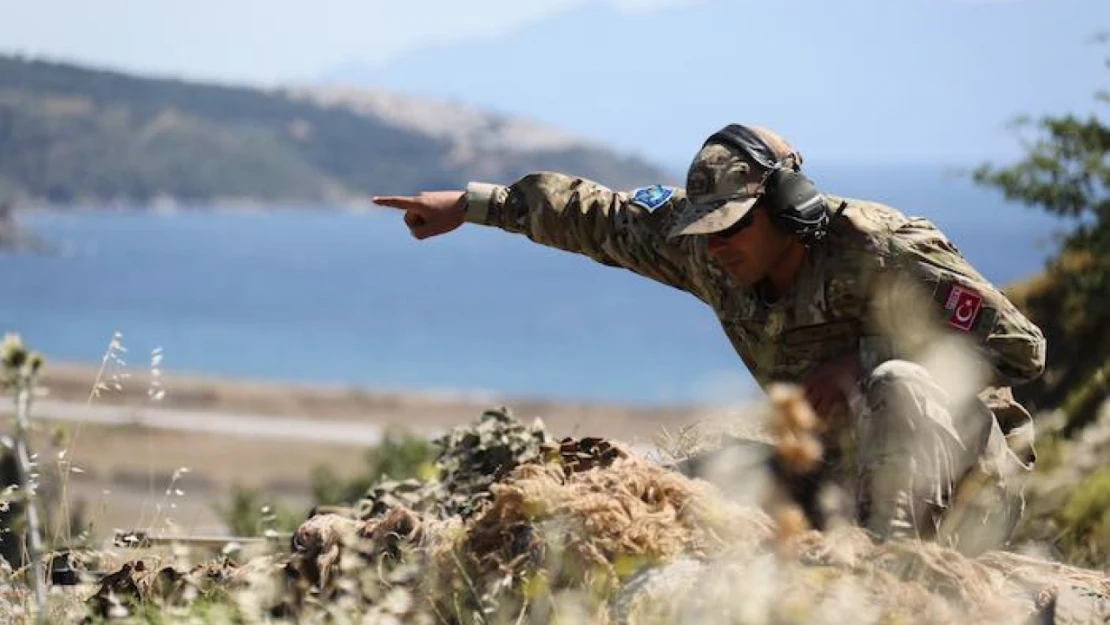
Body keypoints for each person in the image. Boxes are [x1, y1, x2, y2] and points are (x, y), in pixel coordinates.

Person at [372, 123, 1046, 555]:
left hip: (960, 484)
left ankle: (892, 578)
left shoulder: (878, 247)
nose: (717, 246)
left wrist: (858, 365)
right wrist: (470, 205)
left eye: (733, 226)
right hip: (837, 475)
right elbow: (596, 215)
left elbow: (1022, 347)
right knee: (660, 491)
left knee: (896, 381)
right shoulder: (707, 254)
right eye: (707, 229)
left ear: (787, 207)